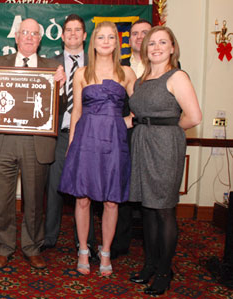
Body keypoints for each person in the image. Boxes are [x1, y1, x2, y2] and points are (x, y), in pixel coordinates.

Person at [58, 21, 136, 276]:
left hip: (114, 141)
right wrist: (71, 146)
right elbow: (77, 111)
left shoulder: (127, 73)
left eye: (110, 37)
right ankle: (82, 249)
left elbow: (139, 108)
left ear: (116, 42)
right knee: (82, 199)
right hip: (86, 139)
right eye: (100, 37)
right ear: (93, 42)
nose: (105, 41)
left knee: (112, 201)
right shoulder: (81, 73)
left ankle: (105, 252)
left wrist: (125, 121)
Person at [128, 26, 201, 295]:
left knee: (164, 210)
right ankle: (149, 264)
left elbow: (193, 117)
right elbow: (136, 116)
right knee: (147, 209)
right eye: (151, 43)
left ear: (172, 47)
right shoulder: (141, 79)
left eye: (162, 42)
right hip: (142, 143)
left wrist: (167, 129)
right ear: (145, 49)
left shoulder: (177, 76)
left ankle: (164, 271)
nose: (156, 47)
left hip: (165, 145)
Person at [0, 18, 65, 269]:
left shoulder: (53, 67)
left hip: (37, 142)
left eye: (34, 34)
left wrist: (60, 89)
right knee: (3, 198)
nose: (29, 37)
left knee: (34, 201)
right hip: (3, 141)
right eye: (25, 33)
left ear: (40, 39)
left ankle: (32, 246)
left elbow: (60, 109)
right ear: (16, 37)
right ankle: (3, 246)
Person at [43, 14, 98, 259]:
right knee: (54, 187)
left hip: (89, 136)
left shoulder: (97, 64)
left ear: (85, 36)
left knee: (87, 190)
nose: (73, 34)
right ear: (62, 35)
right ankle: (49, 238)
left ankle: (84, 242)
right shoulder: (49, 64)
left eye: (78, 30)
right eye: (69, 30)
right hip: (58, 135)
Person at [111, 18, 152, 260]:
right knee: (121, 190)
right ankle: (119, 244)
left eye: (144, 33)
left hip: (150, 138)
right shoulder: (120, 67)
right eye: (134, 33)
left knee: (150, 194)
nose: (138, 37)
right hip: (123, 137)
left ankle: (153, 248)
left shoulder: (163, 67)